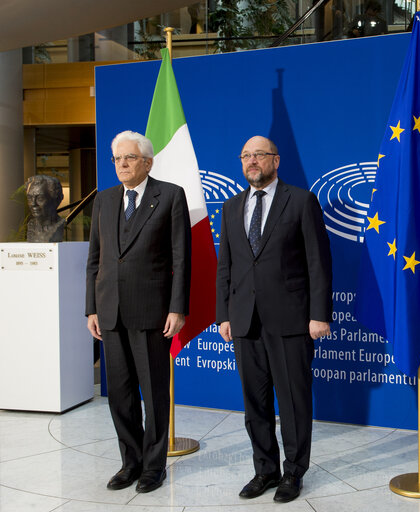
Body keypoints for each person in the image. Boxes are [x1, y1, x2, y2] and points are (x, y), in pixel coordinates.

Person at [216, 135, 332, 503]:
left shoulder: (300, 201)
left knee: (294, 402)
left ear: (276, 161)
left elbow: (319, 262)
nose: (252, 161)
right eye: (246, 155)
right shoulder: (231, 207)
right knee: (256, 403)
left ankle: (293, 473)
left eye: (259, 155)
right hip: (244, 321)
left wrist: (319, 315)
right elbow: (226, 267)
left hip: (291, 321)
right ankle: (264, 470)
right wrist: (223, 315)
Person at [85, 130, 191, 493]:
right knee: (120, 395)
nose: (122, 165)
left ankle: (153, 467)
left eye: (129, 158)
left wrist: (178, 307)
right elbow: (94, 260)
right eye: (117, 159)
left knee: (154, 393)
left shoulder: (170, 196)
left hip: (152, 313)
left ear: (147, 161)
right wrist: (91, 308)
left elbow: (181, 258)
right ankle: (130, 463)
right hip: (110, 313)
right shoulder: (105, 199)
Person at [25, 175, 67, 242]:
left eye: (40, 198)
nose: (33, 204)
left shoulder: (60, 225)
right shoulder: (31, 225)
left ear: (56, 200)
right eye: (30, 198)